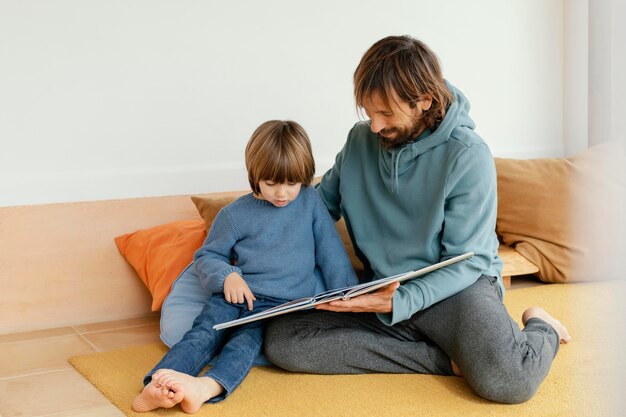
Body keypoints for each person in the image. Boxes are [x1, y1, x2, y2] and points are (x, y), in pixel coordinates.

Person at [264, 35, 571, 404]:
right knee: (284, 340)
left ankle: (543, 326)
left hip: (457, 289)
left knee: (510, 380)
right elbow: (318, 207)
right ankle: (444, 359)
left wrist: (402, 302)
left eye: (387, 114)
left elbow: (466, 261)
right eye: (367, 112)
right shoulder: (360, 141)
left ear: (424, 100)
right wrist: (257, 238)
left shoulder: (467, 155)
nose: (374, 126)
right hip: (382, 288)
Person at [131, 120, 358, 413]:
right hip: (234, 296)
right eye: (272, 182)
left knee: (243, 345)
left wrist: (350, 295)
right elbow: (207, 257)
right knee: (201, 334)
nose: (282, 193)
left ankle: (204, 389)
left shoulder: (310, 203)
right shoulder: (234, 214)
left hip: (279, 307)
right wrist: (228, 277)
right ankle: (155, 387)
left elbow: (332, 255)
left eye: (291, 183)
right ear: (255, 175)